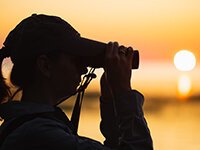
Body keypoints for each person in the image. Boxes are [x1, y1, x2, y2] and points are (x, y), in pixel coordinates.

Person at [0, 14, 153, 150]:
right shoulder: (39, 134)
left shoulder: (29, 126)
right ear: (45, 66)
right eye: (75, 60)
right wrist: (123, 91)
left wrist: (110, 100)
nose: (83, 69)